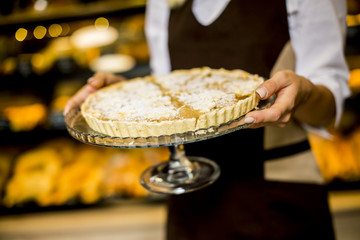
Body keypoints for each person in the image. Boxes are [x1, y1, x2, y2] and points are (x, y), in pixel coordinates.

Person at [64, 0, 350, 239]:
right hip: (189, 195)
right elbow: (170, 91)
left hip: (275, 200)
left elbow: (327, 113)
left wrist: (305, 93)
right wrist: (122, 94)